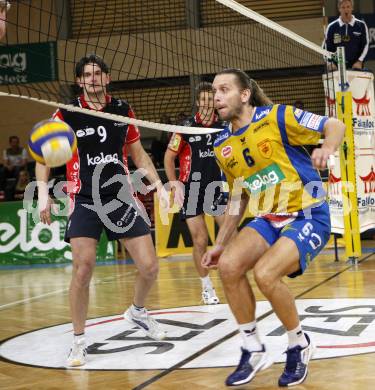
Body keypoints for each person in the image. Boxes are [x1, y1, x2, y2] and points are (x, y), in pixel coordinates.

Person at [202, 68, 345, 387]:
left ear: (244, 95)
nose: (217, 97)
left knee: (265, 273)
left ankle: (299, 343)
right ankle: (253, 348)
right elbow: (237, 197)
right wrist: (221, 243)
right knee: (228, 266)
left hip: (307, 212)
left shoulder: (278, 117)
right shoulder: (222, 143)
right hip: (269, 217)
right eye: (214, 91)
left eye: (224, 89)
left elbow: (335, 125)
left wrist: (327, 148)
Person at [36, 54, 169, 367]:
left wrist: (160, 188)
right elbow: (44, 156)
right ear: (80, 81)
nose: (92, 79)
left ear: (107, 78)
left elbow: (140, 156)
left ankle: (137, 311)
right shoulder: (66, 113)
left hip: (120, 197)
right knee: (83, 269)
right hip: (83, 198)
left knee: (150, 267)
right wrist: (43, 193)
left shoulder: (123, 110)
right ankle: (79, 341)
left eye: (98, 74)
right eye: (86, 75)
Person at [164, 82, 228, 305]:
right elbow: (168, 158)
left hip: (216, 188)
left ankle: (231, 278)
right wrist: (174, 183)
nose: (208, 104)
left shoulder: (223, 127)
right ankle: (207, 287)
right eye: (204, 100)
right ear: (198, 102)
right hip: (191, 189)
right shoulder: (186, 127)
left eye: (211, 99)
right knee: (200, 240)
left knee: (229, 235)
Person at [323, 0, 369, 70]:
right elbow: (326, 47)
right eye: (343, 7)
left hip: (356, 66)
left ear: (352, 8)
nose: (346, 10)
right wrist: (330, 63)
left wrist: (359, 61)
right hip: (337, 68)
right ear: (339, 9)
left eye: (348, 7)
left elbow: (365, 45)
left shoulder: (361, 25)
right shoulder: (332, 26)